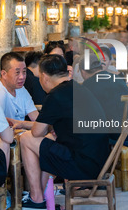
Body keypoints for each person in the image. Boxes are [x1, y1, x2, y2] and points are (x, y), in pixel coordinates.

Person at [20, 55, 110, 209]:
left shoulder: (55, 95)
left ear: (44, 76)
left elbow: (36, 133)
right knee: (47, 140)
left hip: (83, 166)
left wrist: (23, 127)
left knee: (26, 139)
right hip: (99, 161)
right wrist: (24, 124)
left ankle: (36, 199)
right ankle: (42, 199)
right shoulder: (78, 88)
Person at [79, 54, 128, 175]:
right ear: (101, 67)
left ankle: (100, 169)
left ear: (83, 72)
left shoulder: (88, 86)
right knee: (125, 124)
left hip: (122, 135)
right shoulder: (116, 78)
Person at [0, 52, 38, 122]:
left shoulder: (20, 88)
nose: (22, 77)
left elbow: (35, 117)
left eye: (24, 71)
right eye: (17, 72)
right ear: (4, 74)